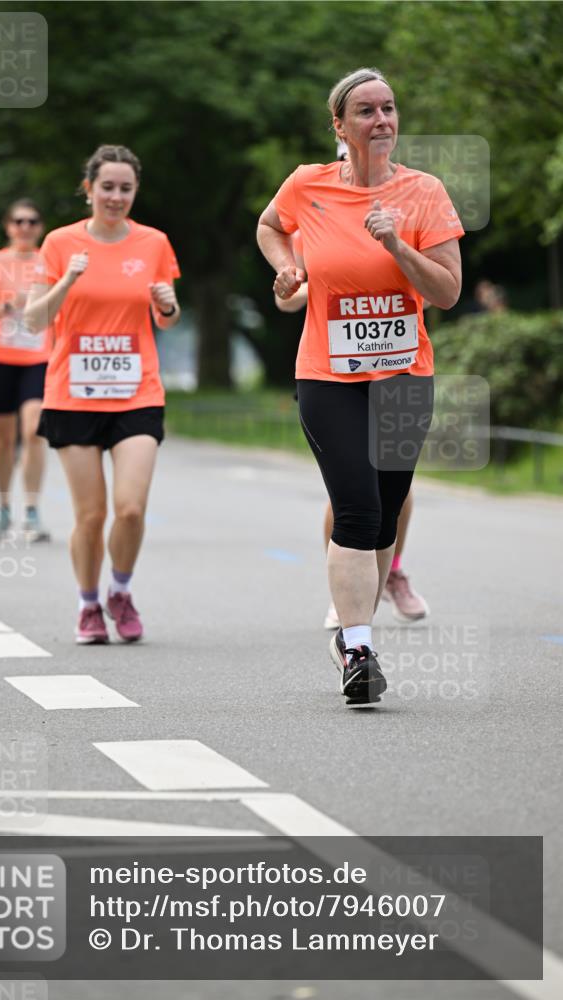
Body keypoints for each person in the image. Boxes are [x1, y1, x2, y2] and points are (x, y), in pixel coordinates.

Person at [258, 67, 463, 706]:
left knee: (384, 517)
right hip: (328, 373)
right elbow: (269, 226)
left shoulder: (425, 191)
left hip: (404, 376)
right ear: (340, 127)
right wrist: (288, 265)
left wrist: (397, 244)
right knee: (357, 509)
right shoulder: (307, 184)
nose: (382, 121)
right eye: (366, 111)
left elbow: (448, 292)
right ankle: (358, 647)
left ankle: (355, 629)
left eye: (389, 109)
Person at [25, 144, 181, 644]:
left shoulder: (154, 242)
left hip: (137, 392)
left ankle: (120, 589)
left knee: (131, 508)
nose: (116, 196)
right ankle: (88, 604)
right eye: (107, 187)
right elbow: (34, 319)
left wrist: (169, 305)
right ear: (88, 188)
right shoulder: (58, 243)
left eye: (126, 188)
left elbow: (166, 318)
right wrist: (68, 279)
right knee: (90, 516)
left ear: (136, 192)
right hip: (74, 394)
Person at [275, 233, 429, 629]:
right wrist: (311, 286)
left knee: (395, 489)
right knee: (351, 491)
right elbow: (286, 296)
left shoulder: (408, 210)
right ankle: (344, 590)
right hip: (333, 376)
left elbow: (437, 286)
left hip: (396, 369)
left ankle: (389, 570)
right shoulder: (313, 214)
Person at [0, 199, 52, 540]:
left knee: (34, 429)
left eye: (32, 221)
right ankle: (5, 506)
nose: (25, 227)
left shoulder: (48, 261)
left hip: (38, 356)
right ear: (8, 226)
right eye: (18, 221)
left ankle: (32, 511)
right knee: (4, 438)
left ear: (40, 227)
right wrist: (10, 305)